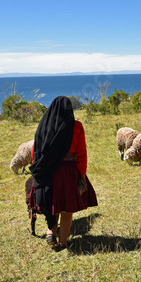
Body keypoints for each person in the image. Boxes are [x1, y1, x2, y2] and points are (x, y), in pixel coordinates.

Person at [29, 96, 97, 251]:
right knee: (66, 209)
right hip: (68, 171)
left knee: (52, 203)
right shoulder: (76, 127)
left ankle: (50, 232)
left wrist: (41, 170)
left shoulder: (44, 127)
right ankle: (63, 243)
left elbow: (35, 153)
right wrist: (82, 176)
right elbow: (81, 154)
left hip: (48, 171)